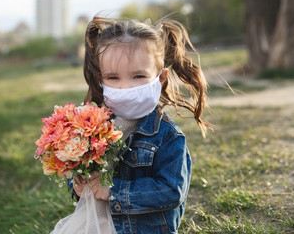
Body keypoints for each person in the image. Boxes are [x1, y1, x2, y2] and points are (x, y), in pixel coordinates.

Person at [71, 15, 211, 234]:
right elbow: (84, 175)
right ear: (100, 79)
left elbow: (171, 191)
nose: (125, 87)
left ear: (161, 78)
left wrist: (113, 191)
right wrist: (78, 185)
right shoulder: (93, 128)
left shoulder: (167, 136)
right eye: (113, 78)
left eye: (138, 76)